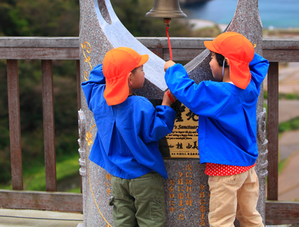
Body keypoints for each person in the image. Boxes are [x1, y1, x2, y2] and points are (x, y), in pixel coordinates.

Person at [164, 32, 269, 227]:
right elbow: (261, 63)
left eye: (212, 57)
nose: (209, 62)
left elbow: (188, 93)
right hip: (247, 167)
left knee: (221, 221)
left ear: (226, 62)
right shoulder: (251, 85)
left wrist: (173, 69)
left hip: (225, 170)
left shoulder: (220, 93)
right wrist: (240, 55)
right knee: (249, 216)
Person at [82, 47, 176, 227]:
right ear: (129, 77)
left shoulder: (98, 98)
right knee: (151, 221)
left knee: (122, 222)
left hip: (117, 176)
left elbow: (92, 81)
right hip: (144, 177)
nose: (144, 73)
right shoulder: (141, 105)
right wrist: (166, 104)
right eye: (141, 69)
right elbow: (156, 130)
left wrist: (113, 66)